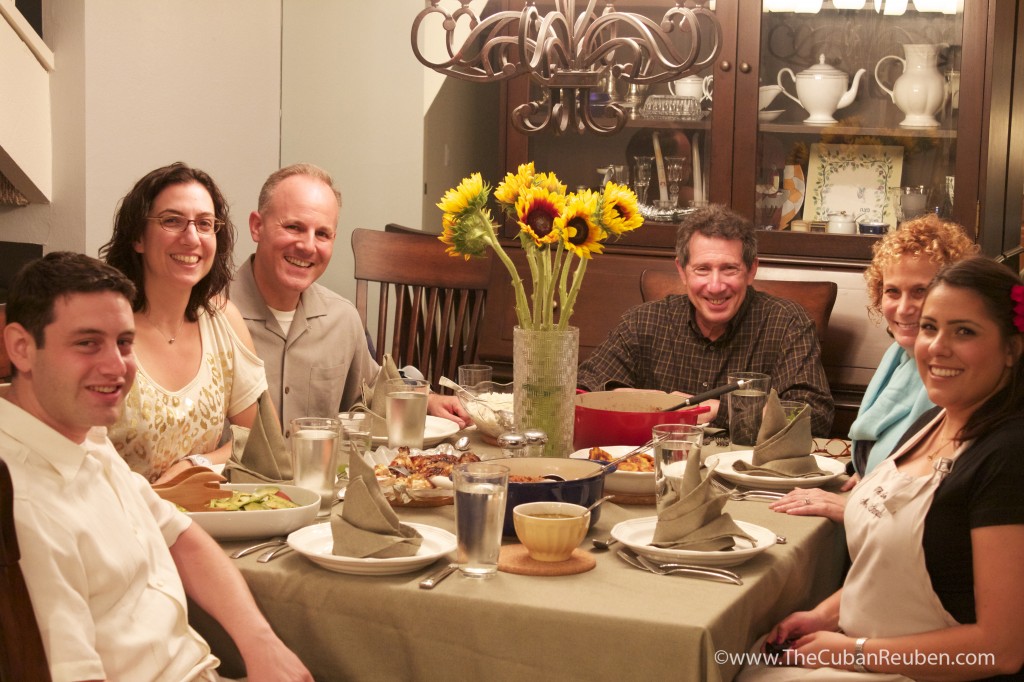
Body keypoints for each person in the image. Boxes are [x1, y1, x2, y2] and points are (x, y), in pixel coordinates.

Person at [0, 252, 311, 681]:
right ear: (20, 347)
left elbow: (182, 537)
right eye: (87, 342)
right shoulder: (20, 503)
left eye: (124, 343)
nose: (116, 367)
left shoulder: (82, 434)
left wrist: (261, 643)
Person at [739, 256, 1024, 681]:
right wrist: (825, 614)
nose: (937, 346)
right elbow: (889, 565)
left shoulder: (1008, 457)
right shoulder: (934, 420)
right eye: (931, 328)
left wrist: (856, 651)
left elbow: (1000, 651)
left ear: (1011, 349)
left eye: (964, 331)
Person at [230, 163, 468, 431]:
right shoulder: (208, 316)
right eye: (294, 227)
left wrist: (430, 400)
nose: (308, 246)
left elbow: (371, 393)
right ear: (256, 227)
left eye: (322, 234)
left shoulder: (342, 319)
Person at [772, 215, 977, 522]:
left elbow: (942, 499)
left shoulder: (957, 376)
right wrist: (865, 479)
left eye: (921, 291)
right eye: (893, 291)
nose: (903, 307)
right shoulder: (897, 356)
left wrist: (859, 507)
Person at [577, 203, 833, 436]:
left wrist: (721, 411)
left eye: (729, 269)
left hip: (748, 476)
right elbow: (580, 389)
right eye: (702, 269)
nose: (715, 286)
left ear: (751, 270)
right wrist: (642, 401)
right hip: (655, 471)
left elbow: (814, 418)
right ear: (682, 271)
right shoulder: (643, 322)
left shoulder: (787, 323)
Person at [100, 162, 267, 484]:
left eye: (205, 224)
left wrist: (196, 465)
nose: (191, 238)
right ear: (138, 237)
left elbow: (261, 440)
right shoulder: (104, 327)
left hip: (203, 518)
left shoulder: (223, 320)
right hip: (120, 520)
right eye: (172, 221)